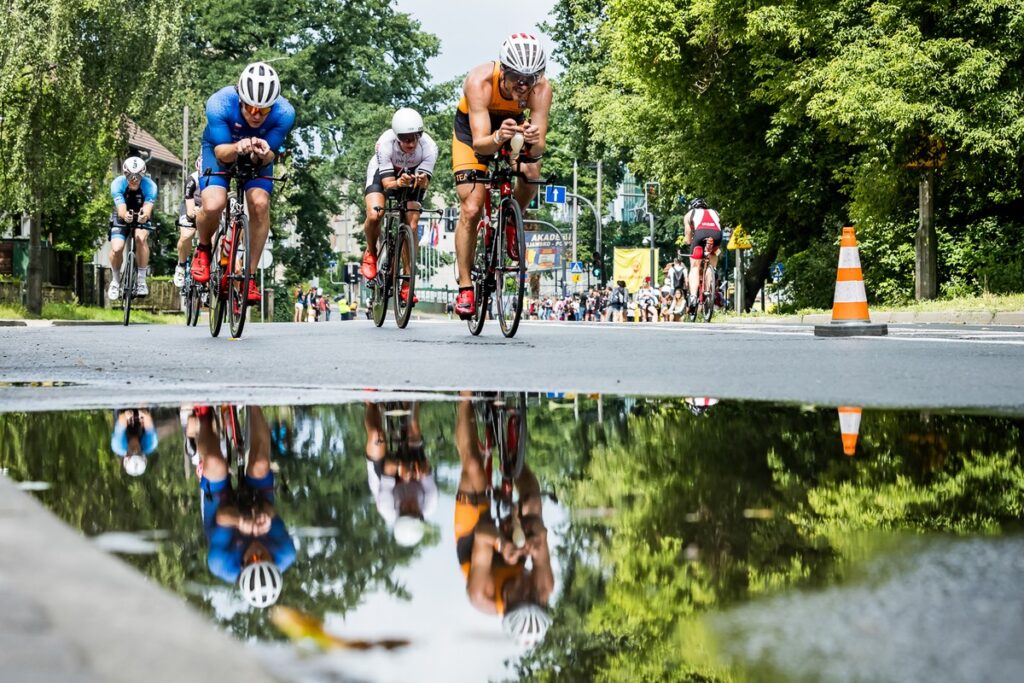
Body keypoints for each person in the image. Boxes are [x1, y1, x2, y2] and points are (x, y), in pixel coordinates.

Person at [452, 34, 553, 318]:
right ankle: (466, 286)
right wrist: (498, 137)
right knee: (471, 208)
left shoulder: (542, 88)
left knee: (531, 170)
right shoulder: (479, 81)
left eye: (530, 79)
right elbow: (480, 144)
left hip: (513, 129)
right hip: (474, 133)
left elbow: (539, 147)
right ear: (503, 70)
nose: (523, 86)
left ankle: (510, 219)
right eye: (517, 78)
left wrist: (532, 138)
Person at [191, 62, 295, 307]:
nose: (256, 115)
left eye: (264, 110)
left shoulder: (285, 113)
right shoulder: (219, 103)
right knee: (214, 203)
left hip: (256, 155)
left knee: (260, 204)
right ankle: (203, 249)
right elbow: (222, 153)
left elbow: (269, 156)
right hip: (220, 150)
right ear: (240, 99)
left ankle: (249, 276)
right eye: (251, 108)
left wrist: (264, 153)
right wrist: (238, 146)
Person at [455, 392, 554, 649]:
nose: (529, 590)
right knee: (532, 500)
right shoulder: (545, 586)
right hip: (513, 546)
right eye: (534, 597)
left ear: (508, 604)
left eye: (523, 596)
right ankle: (512, 458)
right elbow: (541, 530)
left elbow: (483, 534)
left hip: (475, 543)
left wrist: (502, 543)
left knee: (473, 468)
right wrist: (533, 539)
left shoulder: (481, 595)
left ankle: (464, 401)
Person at [194, 405, 295, 608]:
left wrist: (240, 522)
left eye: (253, 558)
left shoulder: (221, 563)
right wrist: (266, 516)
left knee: (215, 463)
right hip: (257, 503)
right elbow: (271, 510)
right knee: (260, 464)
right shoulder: (285, 553)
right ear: (273, 561)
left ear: (242, 567)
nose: (257, 552)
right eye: (263, 557)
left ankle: (203, 417)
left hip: (222, 513)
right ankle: (253, 404)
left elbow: (222, 516)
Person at [360, 108, 438, 306]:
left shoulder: (429, 147)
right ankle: (371, 253)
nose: (411, 143)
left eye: (415, 138)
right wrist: (398, 182)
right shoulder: (385, 143)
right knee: (375, 214)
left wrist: (421, 180)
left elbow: (425, 183)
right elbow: (387, 184)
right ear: (397, 137)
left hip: (412, 177)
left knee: (412, 223)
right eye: (405, 139)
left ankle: (407, 282)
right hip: (384, 175)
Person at [364, 401, 437, 548]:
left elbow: (388, 467)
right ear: (421, 515)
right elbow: (427, 466)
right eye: (414, 511)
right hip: (410, 469)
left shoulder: (387, 509)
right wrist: (422, 471)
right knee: (413, 426)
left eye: (405, 510)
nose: (410, 505)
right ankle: (411, 398)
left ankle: (371, 403)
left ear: (398, 514)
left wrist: (399, 467)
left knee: (377, 436)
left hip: (383, 475)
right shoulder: (430, 504)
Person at [107, 156, 157, 300]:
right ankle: (115, 280)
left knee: (141, 238)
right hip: (122, 214)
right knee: (117, 248)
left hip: (141, 214)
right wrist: (125, 215)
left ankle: (141, 280)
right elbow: (121, 209)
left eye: (137, 176)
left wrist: (144, 216)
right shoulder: (117, 184)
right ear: (125, 174)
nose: (133, 180)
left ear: (143, 175)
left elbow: (147, 208)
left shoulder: (150, 186)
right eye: (129, 176)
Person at [682, 197, 723, 313]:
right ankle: (712, 276)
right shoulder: (715, 212)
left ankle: (693, 296)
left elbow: (688, 237)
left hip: (700, 234)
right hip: (716, 236)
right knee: (714, 254)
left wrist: (688, 242)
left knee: (694, 267)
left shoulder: (689, 214)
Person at [174, 157, 203, 288]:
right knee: (187, 235)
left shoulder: (217, 180)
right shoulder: (192, 180)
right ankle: (181, 266)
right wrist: (194, 213)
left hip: (207, 207)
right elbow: (190, 212)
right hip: (191, 206)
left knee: (213, 240)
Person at [111, 408, 158, 477]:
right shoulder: (151, 444)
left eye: (132, 452)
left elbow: (121, 418)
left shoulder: (118, 446)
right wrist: (144, 414)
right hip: (142, 416)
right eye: (138, 452)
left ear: (126, 455)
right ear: (143, 454)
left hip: (122, 413)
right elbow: (148, 419)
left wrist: (126, 415)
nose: (135, 449)